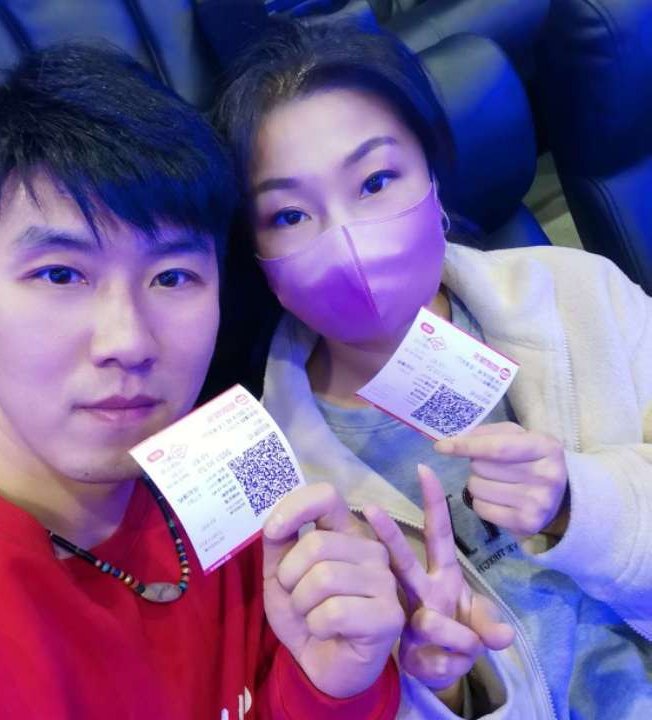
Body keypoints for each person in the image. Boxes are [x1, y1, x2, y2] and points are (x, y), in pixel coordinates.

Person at [0, 43, 406, 719]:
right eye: (61, 275)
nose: (127, 341)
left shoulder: (229, 458)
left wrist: (336, 682)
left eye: (173, 277)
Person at [213, 19, 652, 720]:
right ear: (256, 255)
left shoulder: (578, 293)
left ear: (434, 177)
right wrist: (445, 688)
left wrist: (580, 501)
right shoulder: (271, 480)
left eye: (376, 181)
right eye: (290, 215)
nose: (348, 242)